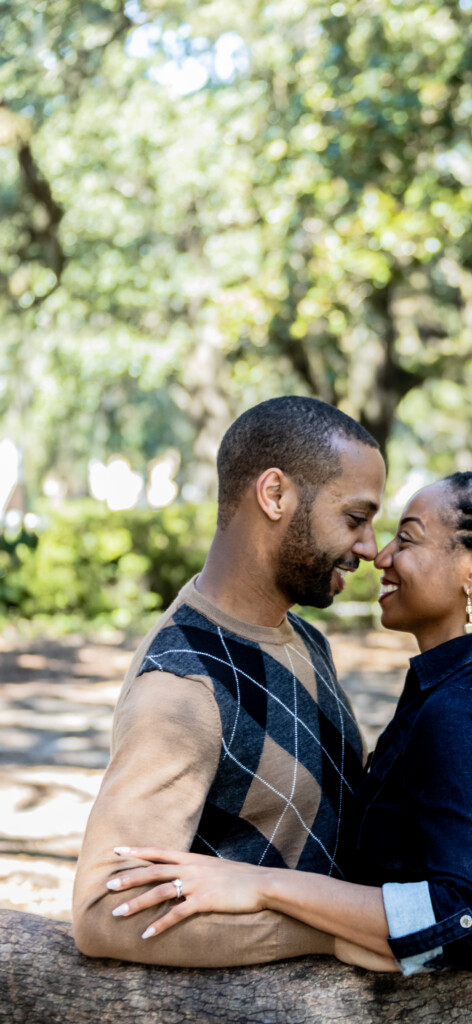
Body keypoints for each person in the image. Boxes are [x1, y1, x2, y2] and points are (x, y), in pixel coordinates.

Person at [99, 468, 472, 975]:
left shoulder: (463, 711)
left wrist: (261, 887)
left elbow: (468, 920)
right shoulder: (462, 692)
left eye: (407, 540)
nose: (382, 557)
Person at [72, 395, 386, 967]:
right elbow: (102, 912)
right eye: (355, 518)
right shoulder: (182, 687)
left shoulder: (304, 638)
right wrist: (333, 934)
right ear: (274, 495)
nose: (369, 547)